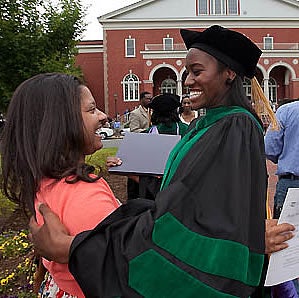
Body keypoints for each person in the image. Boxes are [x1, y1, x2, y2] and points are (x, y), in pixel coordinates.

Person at [29, 25, 275, 297]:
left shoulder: (234, 127)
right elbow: (188, 201)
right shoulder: (211, 124)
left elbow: (198, 217)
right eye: (186, 72)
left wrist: (73, 248)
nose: (188, 81)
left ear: (229, 73)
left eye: (197, 71)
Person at [0, 73, 121, 297]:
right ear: (61, 124)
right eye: (92, 110)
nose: (104, 116)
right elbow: (122, 271)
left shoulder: (46, 183)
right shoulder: (86, 195)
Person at [264, 99, 299, 294]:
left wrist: (288, 154)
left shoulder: (287, 111)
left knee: (287, 247)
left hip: (292, 184)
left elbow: (269, 148)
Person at [138, 93, 188, 200]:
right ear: (175, 111)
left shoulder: (146, 134)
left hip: (153, 190)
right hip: (181, 185)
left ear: (155, 113)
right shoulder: (188, 131)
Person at [127, 91, 152, 200]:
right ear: (141, 100)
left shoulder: (153, 112)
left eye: (151, 99)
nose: (150, 101)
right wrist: (149, 131)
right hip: (140, 148)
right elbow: (134, 131)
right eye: (147, 99)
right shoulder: (135, 113)